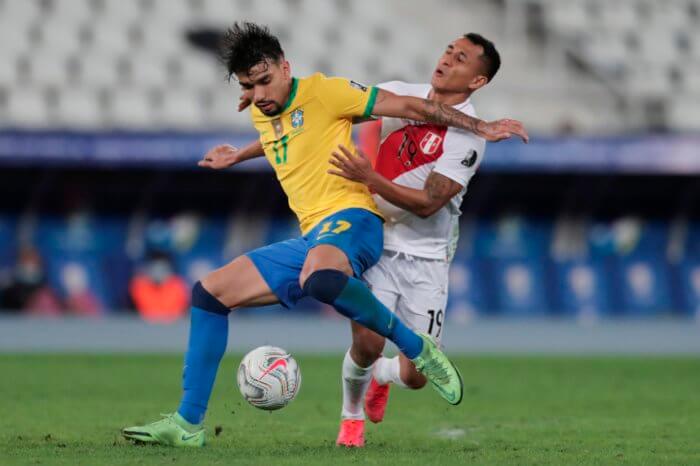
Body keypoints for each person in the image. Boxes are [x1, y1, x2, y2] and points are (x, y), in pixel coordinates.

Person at [122, 22, 527, 447]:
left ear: (285, 68)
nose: (259, 94)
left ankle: (415, 348)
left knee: (327, 285)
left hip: (358, 221)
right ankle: (188, 425)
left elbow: (416, 115)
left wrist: (482, 127)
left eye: (264, 81)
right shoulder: (266, 107)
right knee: (209, 293)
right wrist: (239, 153)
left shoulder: (327, 92)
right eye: (249, 86)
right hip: (322, 235)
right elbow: (295, 130)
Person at [328, 33, 501, 447]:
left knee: (416, 376)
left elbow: (428, 204)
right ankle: (350, 420)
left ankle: (385, 378)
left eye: (460, 59)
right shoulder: (401, 94)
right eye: (447, 50)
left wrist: (371, 178)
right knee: (366, 344)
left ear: (477, 81)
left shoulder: (469, 138)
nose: (446, 60)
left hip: (427, 257)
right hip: (376, 241)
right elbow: (332, 111)